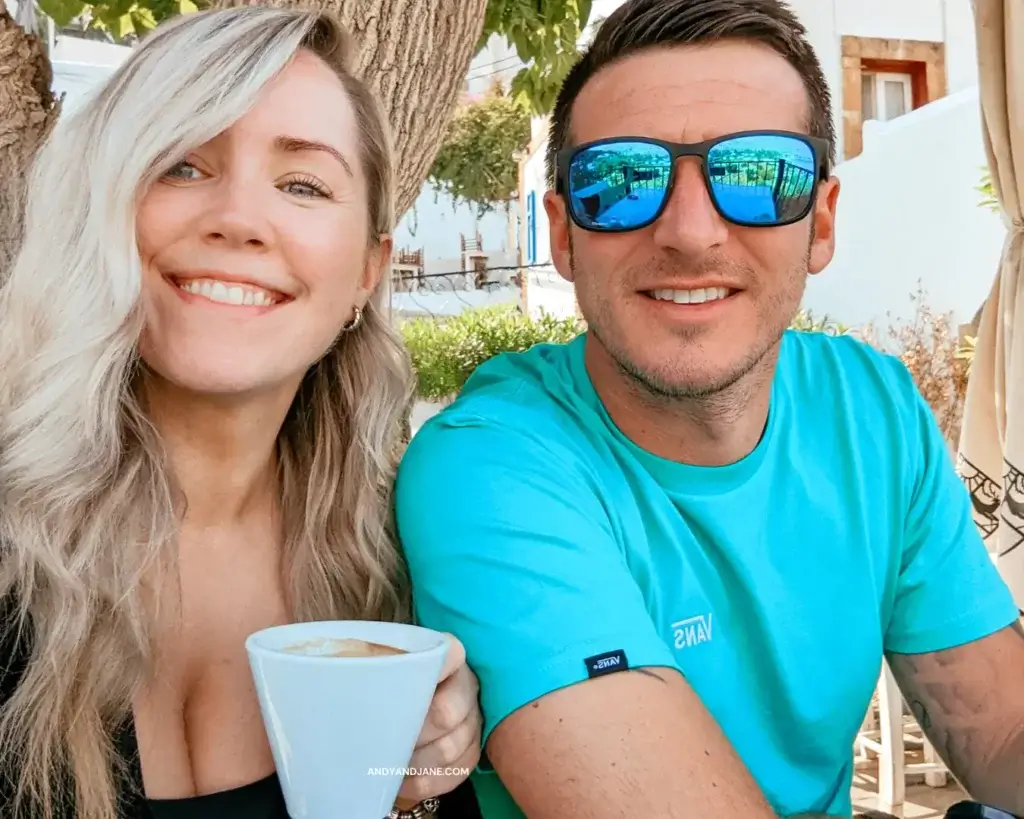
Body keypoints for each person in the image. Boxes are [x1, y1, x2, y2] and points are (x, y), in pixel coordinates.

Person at [393, 1, 1024, 818]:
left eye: (759, 176)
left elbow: (999, 733)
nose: (691, 233)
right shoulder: (492, 462)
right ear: (565, 234)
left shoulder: (874, 410)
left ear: (821, 219)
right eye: (619, 182)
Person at [0, 8, 482, 819]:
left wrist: (422, 784)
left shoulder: (405, 567)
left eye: (302, 184)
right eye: (183, 166)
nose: (238, 218)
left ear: (370, 270)